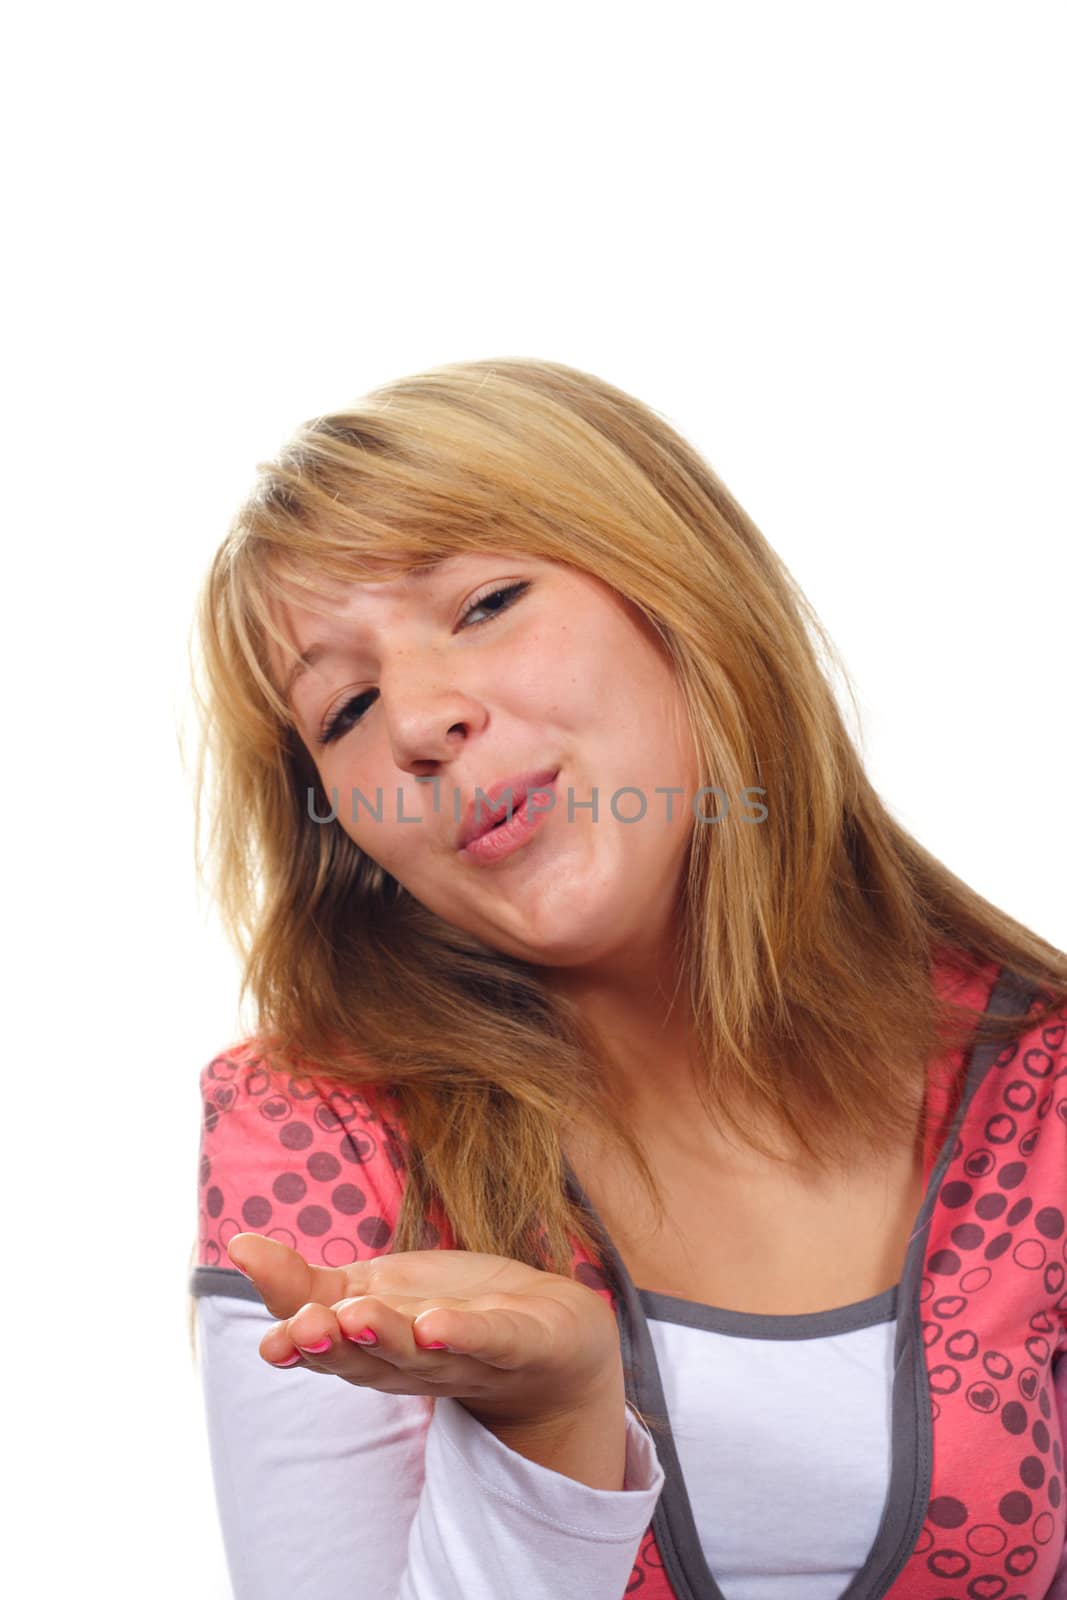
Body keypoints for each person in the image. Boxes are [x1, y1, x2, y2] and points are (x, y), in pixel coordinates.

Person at [187, 356, 1067, 1599]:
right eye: (344, 709)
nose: (421, 721)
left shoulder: (1043, 1089)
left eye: (485, 602)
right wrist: (549, 1431)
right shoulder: (312, 1139)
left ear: (679, 593)